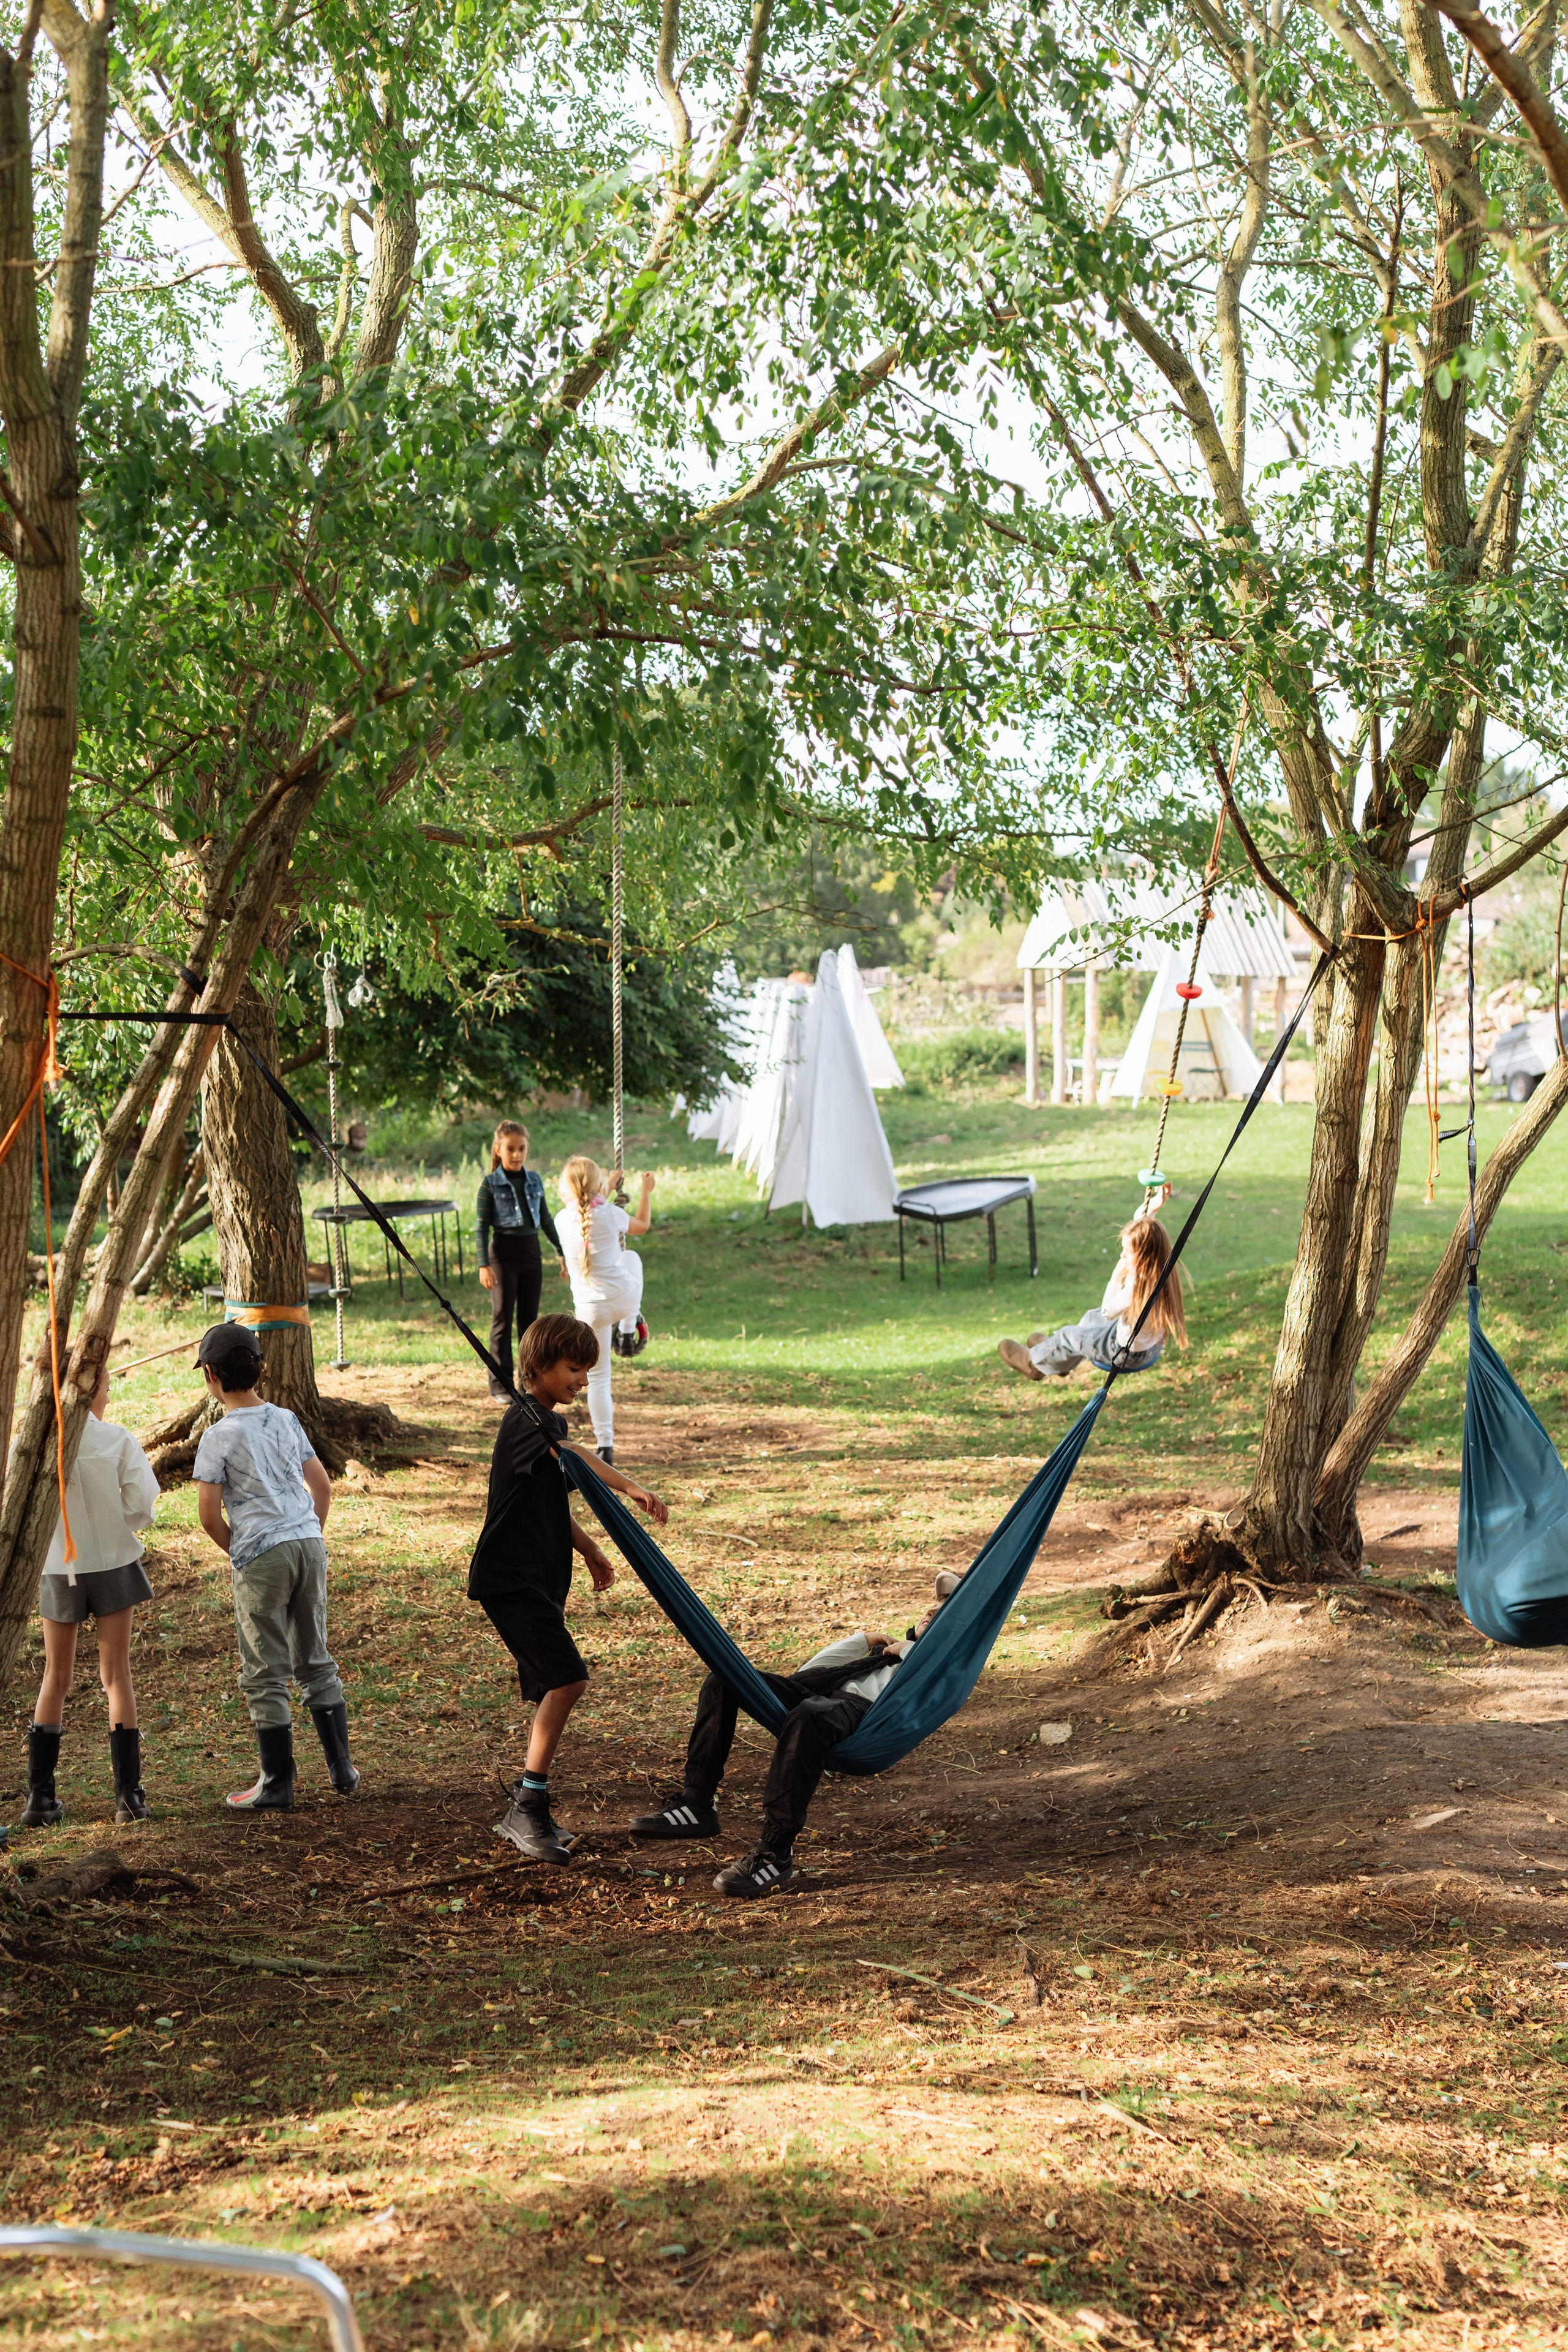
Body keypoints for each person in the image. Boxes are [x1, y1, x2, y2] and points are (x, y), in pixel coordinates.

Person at [472, 1311, 669, 1864]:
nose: (582, 1381)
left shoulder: (540, 1425)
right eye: (574, 1369)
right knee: (567, 1680)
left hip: (530, 1580)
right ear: (538, 1366)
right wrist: (630, 1486)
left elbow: (546, 1502)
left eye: (587, 1370)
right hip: (511, 1580)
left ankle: (528, 1806)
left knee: (557, 1684)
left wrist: (589, 1549)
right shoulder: (531, 1422)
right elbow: (577, 1454)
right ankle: (527, 1807)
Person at [628, 1579, 951, 1899]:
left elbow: (936, 1672)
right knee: (723, 1680)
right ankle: (697, 1800)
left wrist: (907, 1649)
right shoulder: (885, 1654)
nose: (930, 1611)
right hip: (817, 1696)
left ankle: (776, 1848)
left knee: (811, 1714)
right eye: (931, 1606)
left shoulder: (938, 1664)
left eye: (943, 1610)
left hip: (859, 1714)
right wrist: (862, 1641)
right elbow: (811, 1671)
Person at [191, 1323, 358, 1812]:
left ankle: (277, 1784)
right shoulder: (286, 1419)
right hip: (308, 1543)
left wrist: (243, 1552)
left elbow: (208, 1515)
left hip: (261, 1553)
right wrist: (307, 1535)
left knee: (265, 1670)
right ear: (260, 1368)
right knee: (315, 1658)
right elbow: (322, 1487)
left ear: (211, 1374)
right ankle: (342, 1769)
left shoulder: (218, 1437)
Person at [20, 1360, 160, 1828]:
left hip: (58, 1566)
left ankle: (40, 1799)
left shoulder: (36, 1446)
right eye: (106, 1386)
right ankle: (129, 1798)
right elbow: (142, 1504)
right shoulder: (116, 1439)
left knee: (55, 1676)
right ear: (90, 1388)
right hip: (113, 1561)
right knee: (116, 1675)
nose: (109, 1395)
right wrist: (118, 1524)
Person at [997, 1213, 1185, 1382]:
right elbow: (1147, 1235)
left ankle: (1033, 1364)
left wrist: (1116, 1277)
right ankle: (1056, 1357)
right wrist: (1153, 1208)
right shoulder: (1162, 1269)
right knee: (1090, 1318)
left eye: (1128, 1252)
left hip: (1123, 1353)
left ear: (1144, 1256)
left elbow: (1107, 1312)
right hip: (1147, 1347)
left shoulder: (1138, 1289)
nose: (1122, 1255)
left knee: (1068, 1335)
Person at [557, 1155, 654, 1464]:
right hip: (623, 1300)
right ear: (597, 1185)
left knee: (598, 1379)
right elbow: (642, 1226)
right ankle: (626, 1330)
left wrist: (607, 1188)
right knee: (632, 1258)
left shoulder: (561, 1221)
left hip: (589, 1313)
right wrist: (646, 1191)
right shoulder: (612, 1214)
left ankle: (605, 1446)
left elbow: (587, 1211)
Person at [477, 1120, 566, 1400]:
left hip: (531, 1251)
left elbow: (546, 1218)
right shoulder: (490, 1184)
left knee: (530, 1323)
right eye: (510, 1149)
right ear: (498, 1150)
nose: (517, 1155)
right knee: (502, 1319)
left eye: (522, 1149)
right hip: (503, 1254)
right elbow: (481, 1227)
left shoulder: (535, 1180)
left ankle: (527, 1384)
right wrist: (483, 1264)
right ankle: (500, 1385)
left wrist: (561, 1251)